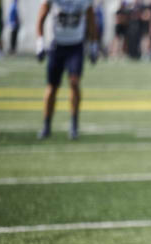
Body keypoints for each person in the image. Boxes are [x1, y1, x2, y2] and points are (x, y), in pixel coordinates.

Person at [36, 0, 99, 140]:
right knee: (52, 87)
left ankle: (74, 125)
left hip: (75, 46)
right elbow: (41, 17)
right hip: (56, 45)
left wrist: (94, 45)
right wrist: (39, 43)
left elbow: (91, 20)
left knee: (74, 83)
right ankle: (47, 125)